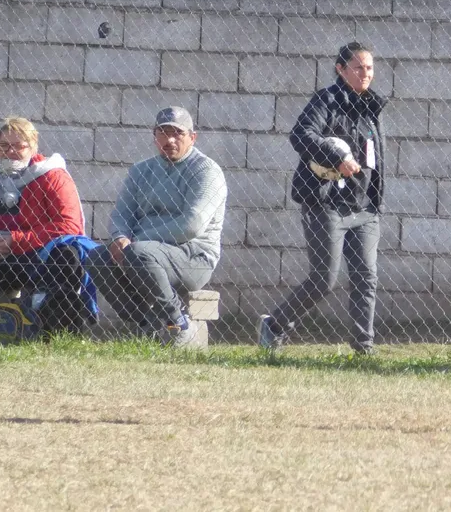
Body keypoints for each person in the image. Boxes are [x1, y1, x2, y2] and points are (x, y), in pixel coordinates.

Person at [258, 42, 387, 355]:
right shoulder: (326, 100)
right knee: (323, 280)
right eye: (358, 67)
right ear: (341, 70)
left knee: (366, 277)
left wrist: (376, 198)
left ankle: (362, 348)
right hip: (326, 204)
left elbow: (376, 157)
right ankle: (274, 325)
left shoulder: (372, 107)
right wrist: (335, 156)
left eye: (369, 67)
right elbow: (301, 134)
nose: (365, 73)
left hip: (365, 207)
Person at [84, 107, 227, 346]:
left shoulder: (206, 171)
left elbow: (191, 225)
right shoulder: (141, 170)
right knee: (97, 257)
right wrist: (120, 237)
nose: (169, 139)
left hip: (193, 257)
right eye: (163, 133)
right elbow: (122, 212)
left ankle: (177, 322)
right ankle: (145, 324)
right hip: (140, 252)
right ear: (154, 136)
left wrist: (135, 242)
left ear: (192, 137)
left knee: (139, 253)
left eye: (177, 133)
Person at [0, 117, 96, 333]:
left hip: (35, 256)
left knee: (67, 254)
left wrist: (16, 241)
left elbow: (68, 224)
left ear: (33, 146)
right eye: (3, 146)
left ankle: (56, 332)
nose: (9, 151)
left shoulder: (52, 175)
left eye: (18, 146)